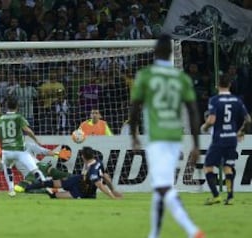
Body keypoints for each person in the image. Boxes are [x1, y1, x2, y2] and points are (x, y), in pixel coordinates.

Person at [129, 34, 204, 238]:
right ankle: (154, 234)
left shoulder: (146, 75)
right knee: (161, 186)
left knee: (162, 187)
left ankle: (192, 230)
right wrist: (196, 144)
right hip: (174, 136)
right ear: (171, 53)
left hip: (156, 136)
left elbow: (135, 108)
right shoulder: (182, 78)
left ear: (154, 52)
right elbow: (193, 111)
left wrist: (133, 134)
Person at [201, 74, 251, 205]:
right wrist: (241, 131)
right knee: (228, 166)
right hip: (231, 138)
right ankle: (230, 197)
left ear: (217, 85)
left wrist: (205, 127)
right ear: (230, 85)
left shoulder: (214, 100)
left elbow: (212, 120)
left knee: (208, 166)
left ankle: (216, 195)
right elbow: (248, 119)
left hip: (219, 139)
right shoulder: (237, 100)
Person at [24, 146, 121, 199]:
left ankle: (45, 191)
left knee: (54, 196)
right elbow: (106, 176)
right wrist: (113, 190)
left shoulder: (93, 171)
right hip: (76, 180)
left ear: (83, 156)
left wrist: (112, 197)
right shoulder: (98, 162)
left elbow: (100, 185)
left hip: (83, 191)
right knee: (51, 183)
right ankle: (28, 188)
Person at [0, 96, 47, 197]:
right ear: (17, 106)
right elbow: (27, 130)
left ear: (6, 106)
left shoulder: (1, 119)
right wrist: (36, 139)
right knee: (34, 169)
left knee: (7, 168)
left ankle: (11, 190)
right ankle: (47, 186)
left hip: (6, 150)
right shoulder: (18, 117)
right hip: (19, 150)